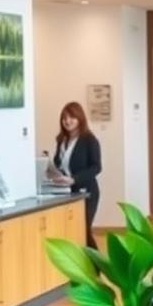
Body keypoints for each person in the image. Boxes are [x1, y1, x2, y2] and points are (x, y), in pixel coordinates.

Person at [51, 102, 102, 249]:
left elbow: (96, 167)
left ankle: (97, 268)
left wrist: (74, 179)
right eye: (64, 118)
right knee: (72, 231)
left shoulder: (89, 140)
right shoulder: (61, 140)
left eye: (72, 117)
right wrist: (52, 170)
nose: (67, 121)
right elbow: (60, 164)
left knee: (84, 230)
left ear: (80, 118)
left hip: (87, 192)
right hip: (67, 192)